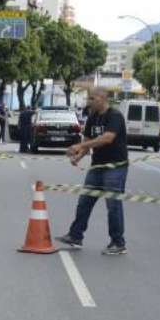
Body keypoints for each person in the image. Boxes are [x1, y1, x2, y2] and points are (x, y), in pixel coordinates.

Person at [57, 87, 129, 255]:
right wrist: (79, 156)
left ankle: (118, 243)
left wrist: (80, 146)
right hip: (97, 166)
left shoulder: (114, 116)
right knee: (84, 202)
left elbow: (107, 138)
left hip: (115, 167)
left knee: (113, 205)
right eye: (89, 99)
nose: (89, 102)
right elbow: (88, 141)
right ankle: (75, 236)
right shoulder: (92, 117)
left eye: (92, 98)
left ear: (102, 98)